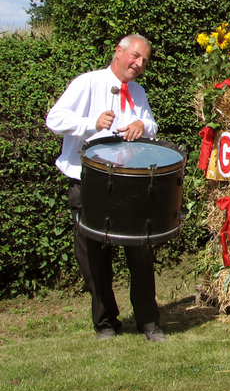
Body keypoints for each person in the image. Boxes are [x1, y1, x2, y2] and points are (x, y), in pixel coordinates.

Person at [46, 34, 166, 342]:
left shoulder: (138, 92)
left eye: (144, 61)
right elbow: (54, 119)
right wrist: (91, 122)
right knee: (93, 256)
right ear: (119, 52)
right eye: (135, 57)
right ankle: (106, 323)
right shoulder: (87, 83)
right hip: (87, 180)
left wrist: (143, 126)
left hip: (131, 182)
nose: (139, 65)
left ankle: (149, 322)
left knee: (140, 252)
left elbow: (150, 126)